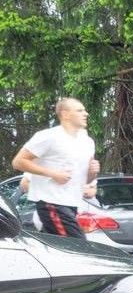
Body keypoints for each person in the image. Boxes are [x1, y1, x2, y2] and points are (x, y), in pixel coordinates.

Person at [11, 97, 97, 238]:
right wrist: (53, 174)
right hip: (51, 203)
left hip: (72, 204)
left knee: (58, 251)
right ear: (65, 114)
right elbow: (18, 161)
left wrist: (92, 172)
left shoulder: (87, 142)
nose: (86, 113)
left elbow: (88, 181)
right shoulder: (49, 136)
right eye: (80, 110)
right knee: (77, 246)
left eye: (85, 110)